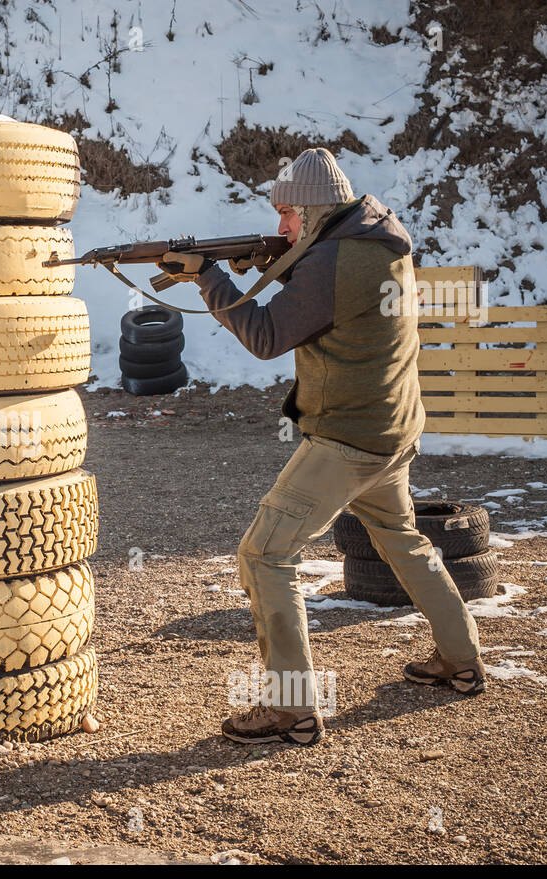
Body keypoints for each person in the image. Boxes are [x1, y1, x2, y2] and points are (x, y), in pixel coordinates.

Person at [159, 147, 485, 747]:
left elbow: (266, 335)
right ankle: (460, 660)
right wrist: (264, 262)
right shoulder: (372, 239)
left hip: (349, 437)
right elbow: (322, 291)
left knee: (264, 557)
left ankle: (292, 711)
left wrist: (207, 275)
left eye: (287, 214)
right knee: (404, 543)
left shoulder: (340, 258)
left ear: (312, 213)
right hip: (392, 427)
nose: (281, 227)